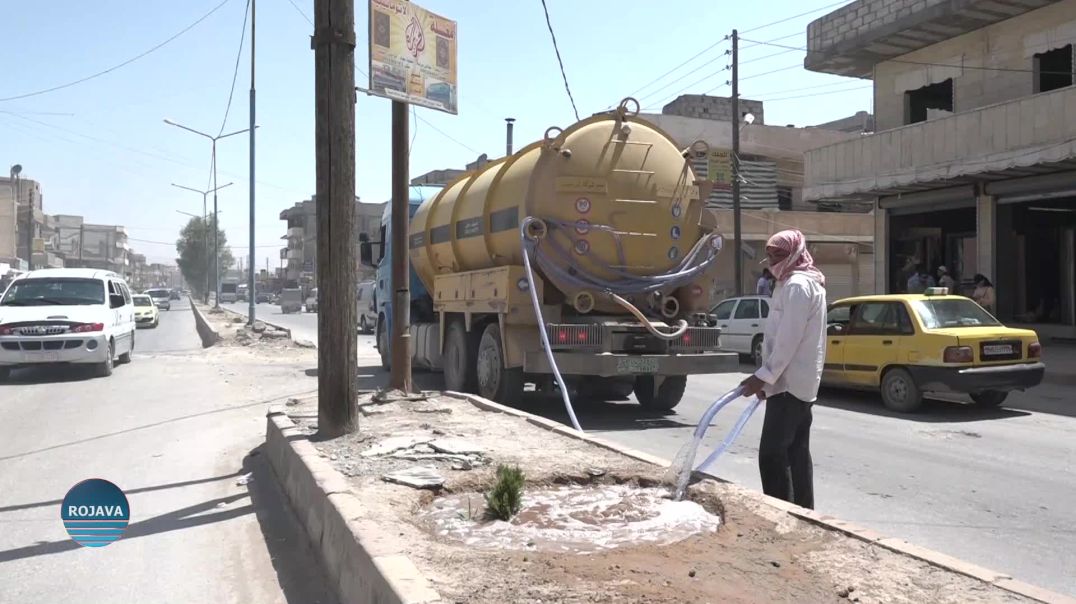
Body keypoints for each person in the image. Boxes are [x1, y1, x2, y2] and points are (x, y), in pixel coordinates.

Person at [740, 229, 826, 510]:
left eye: (779, 254)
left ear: (795, 253)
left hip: (789, 385)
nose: (772, 259)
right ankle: (803, 513)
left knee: (772, 455)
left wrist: (763, 377)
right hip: (791, 384)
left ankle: (782, 514)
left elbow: (788, 341)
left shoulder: (797, 286)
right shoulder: (792, 283)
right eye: (770, 253)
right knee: (796, 453)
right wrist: (768, 384)